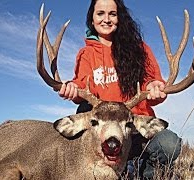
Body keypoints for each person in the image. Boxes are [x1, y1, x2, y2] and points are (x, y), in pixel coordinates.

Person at [58, 0, 182, 179]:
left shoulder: (140, 49)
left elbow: (152, 82)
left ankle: (144, 172)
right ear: (92, 20)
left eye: (112, 14)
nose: (106, 19)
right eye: (100, 13)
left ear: (120, 18)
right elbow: (81, 84)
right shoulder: (86, 54)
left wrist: (153, 88)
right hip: (103, 130)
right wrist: (72, 89)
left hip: (133, 126)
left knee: (169, 145)